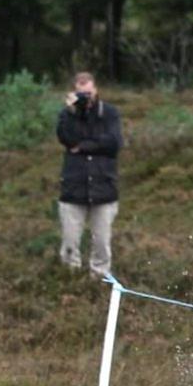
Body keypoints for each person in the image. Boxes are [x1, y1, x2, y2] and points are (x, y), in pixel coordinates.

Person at [56, 71, 123, 278]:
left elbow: (113, 143)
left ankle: (100, 280)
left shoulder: (109, 113)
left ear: (96, 89)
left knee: (102, 243)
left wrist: (83, 146)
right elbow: (66, 138)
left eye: (88, 92)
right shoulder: (67, 115)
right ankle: (69, 281)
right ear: (74, 93)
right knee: (70, 242)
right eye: (81, 93)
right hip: (73, 189)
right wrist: (70, 112)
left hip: (104, 189)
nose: (86, 96)